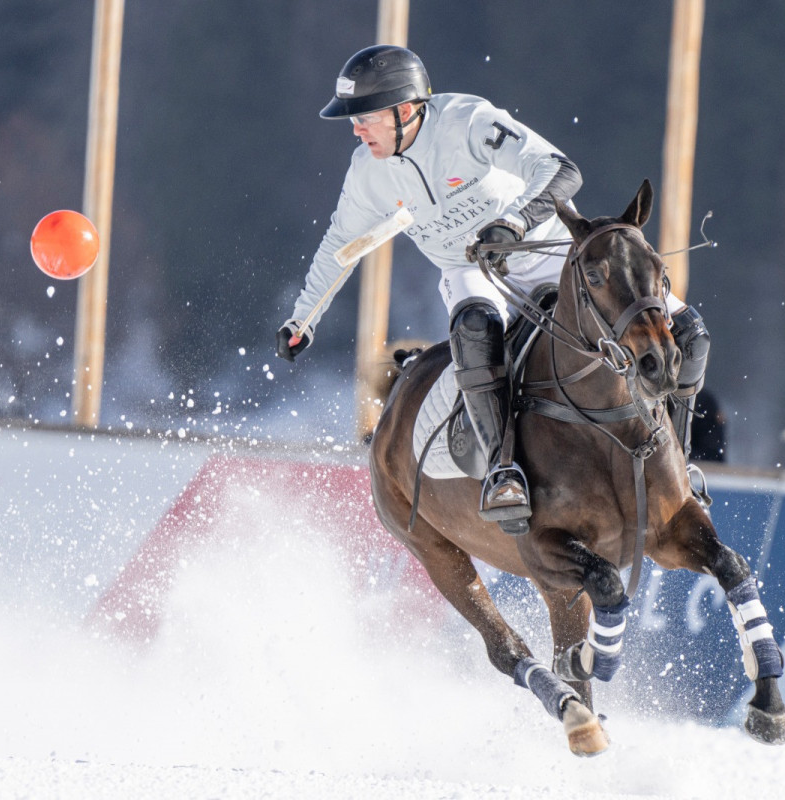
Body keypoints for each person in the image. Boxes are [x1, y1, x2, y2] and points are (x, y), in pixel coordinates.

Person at [276, 45, 709, 530]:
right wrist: (303, 318)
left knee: (692, 336)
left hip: (546, 252)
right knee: (475, 330)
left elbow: (563, 172)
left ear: (404, 110)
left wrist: (514, 224)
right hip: (470, 271)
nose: (355, 129)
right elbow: (340, 243)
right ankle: (504, 471)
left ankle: (682, 467)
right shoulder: (366, 172)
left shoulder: (468, 120)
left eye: (365, 117)